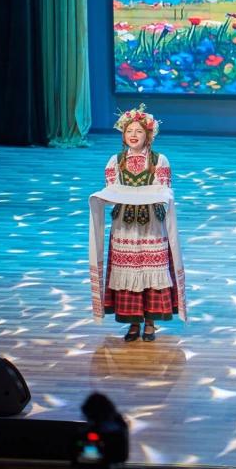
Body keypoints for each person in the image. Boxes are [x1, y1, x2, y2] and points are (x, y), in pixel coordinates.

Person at [101, 106, 184, 342]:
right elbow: (111, 189)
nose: (134, 135)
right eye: (129, 131)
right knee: (128, 271)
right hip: (125, 225)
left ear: (148, 135)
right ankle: (133, 322)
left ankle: (150, 322)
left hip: (150, 226)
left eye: (139, 131)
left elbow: (163, 190)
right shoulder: (116, 160)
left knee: (150, 269)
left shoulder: (159, 160)